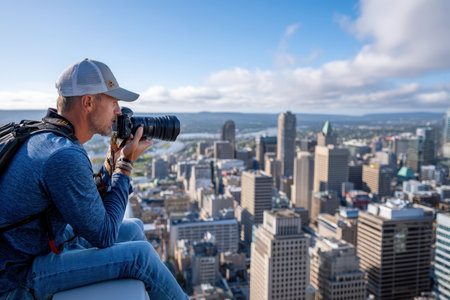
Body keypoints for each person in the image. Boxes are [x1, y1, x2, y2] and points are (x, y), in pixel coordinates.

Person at [0, 59, 188, 300]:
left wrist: (112, 159)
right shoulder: (63, 154)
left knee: (134, 228)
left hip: (34, 249)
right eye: (114, 102)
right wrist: (126, 164)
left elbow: (86, 202)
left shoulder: (46, 136)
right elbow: (104, 235)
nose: (119, 112)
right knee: (140, 256)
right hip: (17, 278)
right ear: (88, 102)